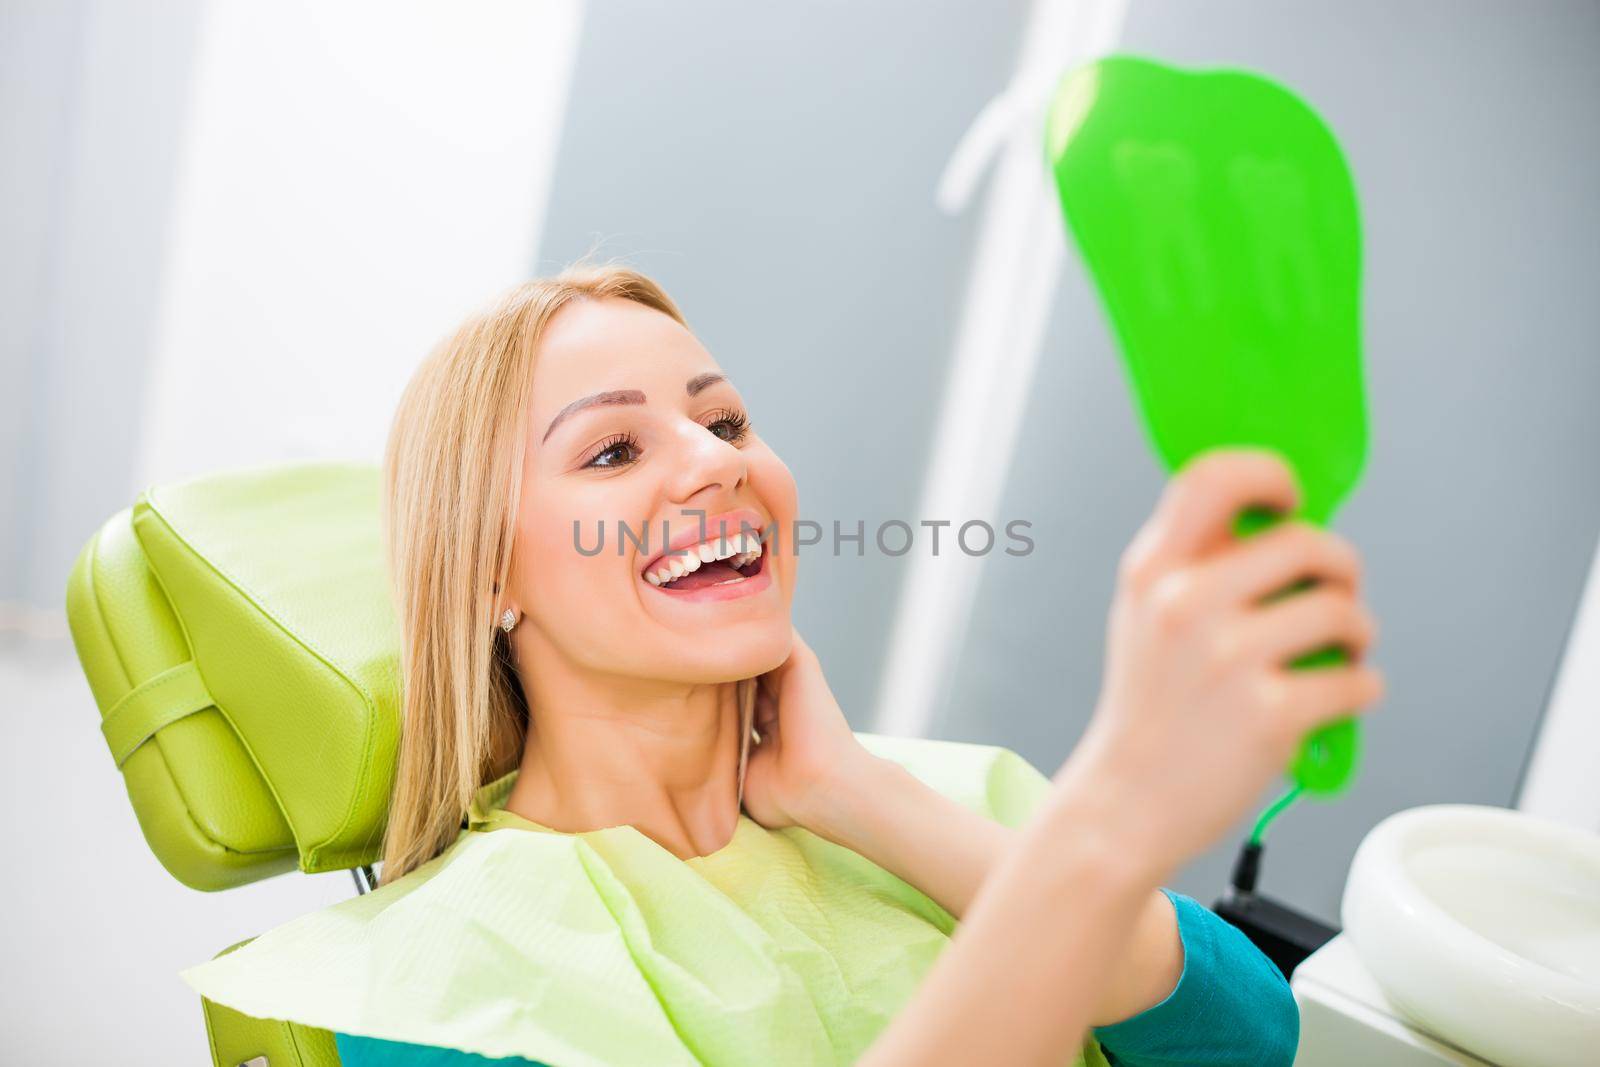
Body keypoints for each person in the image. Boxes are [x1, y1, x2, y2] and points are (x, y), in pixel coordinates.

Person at [331, 265, 1382, 1065]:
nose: (716, 459)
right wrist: (1107, 825)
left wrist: (854, 793)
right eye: (613, 450)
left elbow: (1251, 1039)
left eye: (724, 418)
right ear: (483, 575)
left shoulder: (949, 798)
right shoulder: (440, 976)